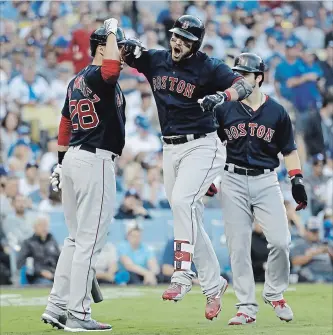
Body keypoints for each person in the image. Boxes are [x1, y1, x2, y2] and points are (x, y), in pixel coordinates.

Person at [121, 14, 253, 320]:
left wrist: (223, 95)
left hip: (203, 144)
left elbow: (243, 85)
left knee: (181, 202)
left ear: (196, 43)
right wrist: (125, 47)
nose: (177, 42)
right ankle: (213, 284)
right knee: (189, 214)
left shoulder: (208, 66)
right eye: (175, 36)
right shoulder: (156, 60)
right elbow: (128, 55)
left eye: (185, 39)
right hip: (170, 147)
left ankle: (182, 276)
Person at [41, 18, 127, 332]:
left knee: (75, 240)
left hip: (75, 158)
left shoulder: (77, 79)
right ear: (103, 47)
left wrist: (61, 162)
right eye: (116, 45)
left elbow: (65, 124)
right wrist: (114, 29)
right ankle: (78, 311)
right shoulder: (101, 74)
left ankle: (57, 305)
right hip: (95, 160)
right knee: (88, 242)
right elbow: (111, 69)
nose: (121, 51)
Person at [210, 53, 308, 325]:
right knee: (238, 247)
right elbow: (212, 147)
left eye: (245, 74)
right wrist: (209, 178)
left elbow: (289, 149)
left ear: (259, 78)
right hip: (232, 180)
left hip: (266, 179)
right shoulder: (224, 108)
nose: (239, 78)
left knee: (281, 241)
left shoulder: (276, 111)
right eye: (237, 73)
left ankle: (275, 293)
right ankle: (245, 307)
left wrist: (297, 179)